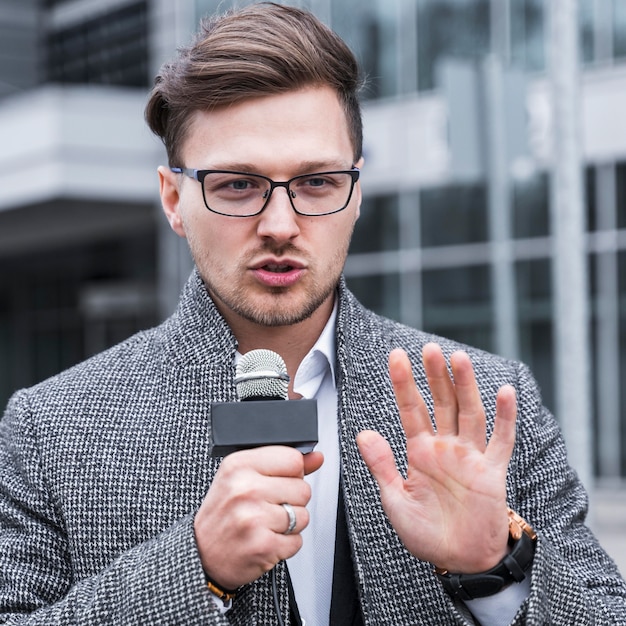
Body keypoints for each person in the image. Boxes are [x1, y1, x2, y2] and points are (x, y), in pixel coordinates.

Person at [0, 2, 624, 624]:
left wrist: (493, 570)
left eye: (317, 183)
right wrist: (192, 569)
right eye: (236, 185)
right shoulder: (50, 432)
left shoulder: (487, 405)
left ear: (356, 194)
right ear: (174, 199)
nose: (279, 225)